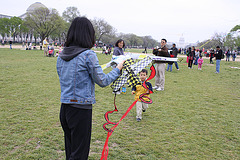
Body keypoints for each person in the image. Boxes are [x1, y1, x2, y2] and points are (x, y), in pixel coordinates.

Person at [56, 17, 124, 160]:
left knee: (71, 151)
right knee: (80, 154)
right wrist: (118, 68)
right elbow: (103, 81)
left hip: (65, 109)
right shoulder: (88, 55)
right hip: (80, 110)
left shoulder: (61, 55)